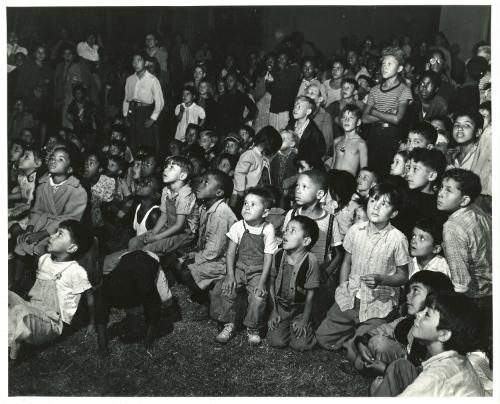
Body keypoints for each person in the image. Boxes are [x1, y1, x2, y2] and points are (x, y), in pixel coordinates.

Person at [316, 182, 410, 351]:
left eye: (384, 204)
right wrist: (343, 286)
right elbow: (346, 262)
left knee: (362, 347)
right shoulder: (355, 230)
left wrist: (382, 279)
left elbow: (403, 276)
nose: (376, 207)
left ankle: (360, 335)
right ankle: (352, 332)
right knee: (323, 338)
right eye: (373, 201)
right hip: (351, 297)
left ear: (394, 213)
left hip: (378, 303)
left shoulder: (398, 239)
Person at [8, 220, 94, 360]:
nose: (52, 236)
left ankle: (10, 346)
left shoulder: (76, 271)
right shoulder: (44, 260)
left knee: (20, 312)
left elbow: (90, 297)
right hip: (33, 308)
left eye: (60, 234)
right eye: (55, 232)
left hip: (51, 321)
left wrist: (91, 323)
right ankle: (13, 333)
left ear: (72, 248)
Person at [373, 293, 485, 397]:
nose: (418, 314)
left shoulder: (434, 378)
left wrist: (375, 393)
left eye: (427, 314)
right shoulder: (459, 360)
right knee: (401, 366)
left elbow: (431, 381)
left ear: (444, 334)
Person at [12, 147, 88, 292]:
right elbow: (37, 210)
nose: (54, 161)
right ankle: (15, 284)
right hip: (41, 225)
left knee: (40, 252)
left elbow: (69, 220)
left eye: (61, 159)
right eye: (52, 158)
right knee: (22, 243)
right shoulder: (43, 184)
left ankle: (37, 288)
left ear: (70, 169)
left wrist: (41, 234)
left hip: (63, 232)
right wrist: (30, 229)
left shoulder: (77, 190)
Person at [351, 271, 454, 378]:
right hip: (405, 362)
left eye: (416, 291)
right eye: (409, 290)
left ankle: (388, 376)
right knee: (373, 340)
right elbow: (384, 329)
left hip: (419, 375)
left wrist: (386, 370)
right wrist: (362, 343)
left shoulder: (437, 333)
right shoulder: (408, 320)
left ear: (434, 298)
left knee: (378, 344)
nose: (409, 295)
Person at [213, 187, 278, 345]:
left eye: (253, 204)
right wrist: (230, 276)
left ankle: (253, 328)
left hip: (258, 271)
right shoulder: (238, 226)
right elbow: (230, 253)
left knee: (258, 296)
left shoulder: (267, 229)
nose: (247, 207)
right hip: (240, 268)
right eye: (245, 203)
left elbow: (269, 257)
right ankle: (229, 324)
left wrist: (262, 282)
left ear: (264, 213)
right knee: (228, 290)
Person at [178, 170, 237, 310]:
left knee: (186, 269)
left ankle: (205, 301)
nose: (199, 185)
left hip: (225, 261)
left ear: (219, 193)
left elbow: (213, 251)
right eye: (201, 180)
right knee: (181, 262)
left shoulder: (221, 214)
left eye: (206, 182)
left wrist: (195, 257)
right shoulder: (206, 206)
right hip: (213, 254)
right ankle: (203, 290)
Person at [95, 249, 171, 356]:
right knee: (135, 310)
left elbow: (154, 308)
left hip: (150, 259)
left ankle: (169, 261)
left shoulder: (144, 284)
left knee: (166, 301)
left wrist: (148, 340)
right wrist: (102, 346)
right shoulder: (108, 285)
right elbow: (100, 314)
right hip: (128, 257)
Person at [437, 169, 492, 316]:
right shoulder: (479, 212)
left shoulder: (452, 227)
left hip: (475, 298)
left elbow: (461, 283)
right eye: (441, 187)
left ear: (464, 200)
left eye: (448, 190)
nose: (440, 193)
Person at [268, 216, 320, 351]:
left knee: (300, 345)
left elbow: (310, 296)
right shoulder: (278, 254)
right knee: (276, 341)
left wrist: (303, 321)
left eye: (292, 231)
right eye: (286, 230)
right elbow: (271, 283)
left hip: (300, 310)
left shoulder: (311, 261)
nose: (285, 233)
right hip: (281, 308)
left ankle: (308, 325)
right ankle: (287, 325)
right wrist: (274, 311)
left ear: (306, 241)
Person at [128, 156, 197, 257]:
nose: (166, 169)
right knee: (133, 243)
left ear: (182, 176)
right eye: (166, 166)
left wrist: (156, 238)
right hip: (169, 227)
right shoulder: (166, 190)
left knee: (147, 250)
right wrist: (154, 232)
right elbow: (164, 216)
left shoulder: (185, 195)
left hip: (184, 234)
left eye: (171, 167)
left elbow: (179, 226)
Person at [363, 47, 413, 176]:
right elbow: (364, 118)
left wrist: (374, 111)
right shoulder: (374, 89)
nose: (385, 67)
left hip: (391, 136)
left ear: (400, 69)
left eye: (390, 64)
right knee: (371, 172)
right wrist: (388, 114)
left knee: (386, 173)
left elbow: (397, 119)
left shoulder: (404, 90)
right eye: (383, 63)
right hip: (374, 135)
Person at [123, 51, 164, 153]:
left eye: (139, 60)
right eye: (134, 60)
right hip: (132, 112)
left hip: (145, 112)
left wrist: (152, 119)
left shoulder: (153, 80)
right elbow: (126, 99)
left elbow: (160, 102)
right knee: (133, 141)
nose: (136, 63)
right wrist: (125, 115)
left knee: (146, 143)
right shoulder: (130, 79)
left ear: (145, 63)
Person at [231, 126, 282, 209]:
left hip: (253, 194)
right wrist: (241, 192)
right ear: (269, 144)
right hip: (241, 195)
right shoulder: (250, 154)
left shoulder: (261, 157)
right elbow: (240, 172)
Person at [8, 147, 44, 242]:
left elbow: (38, 204)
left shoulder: (38, 181)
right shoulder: (23, 176)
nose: (21, 158)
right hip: (25, 208)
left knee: (13, 229)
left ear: (37, 163)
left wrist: (22, 208)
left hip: (34, 213)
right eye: (22, 155)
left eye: (26, 157)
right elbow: (24, 193)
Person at [216, 71, 257, 138]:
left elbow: (254, 109)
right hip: (223, 130)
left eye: (231, 80)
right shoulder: (222, 97)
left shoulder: (242, 96)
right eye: (227, 81)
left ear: (236, 82)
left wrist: (245, 120)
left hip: (236, 128)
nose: (228, 83)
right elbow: (218, 115)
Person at [267, 51, 301, 131]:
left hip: (285, 110)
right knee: (272, 132)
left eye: (283, 58)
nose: (280, 60)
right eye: (279, 58)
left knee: (282, 133)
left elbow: (287, 88)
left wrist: (281, 70)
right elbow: (271, 89)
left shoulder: (294, 70)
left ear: (289, 60)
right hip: (274, 108)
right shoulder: (275, 70)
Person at [331, 104, 367, 176]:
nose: (346, 120)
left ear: (358, 122)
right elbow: (333, 164)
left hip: (348, 183)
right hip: (333, 180)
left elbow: (364, 170)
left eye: (351, 118)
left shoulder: (360, 143)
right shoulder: (337, 141)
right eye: (344, 117)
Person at [288, 95, 326, 160]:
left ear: (308, 111)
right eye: (295, 105)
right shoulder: (291, 124)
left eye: (299, 107)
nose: (295, 109)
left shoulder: (314, 132)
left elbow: (320, 152)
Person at [305, 83, 334, 156]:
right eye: (307, 93)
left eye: (312, 94)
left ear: (320, 99)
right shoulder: (302, 111)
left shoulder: (325, 117)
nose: (308, 96)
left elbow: (324, 144)